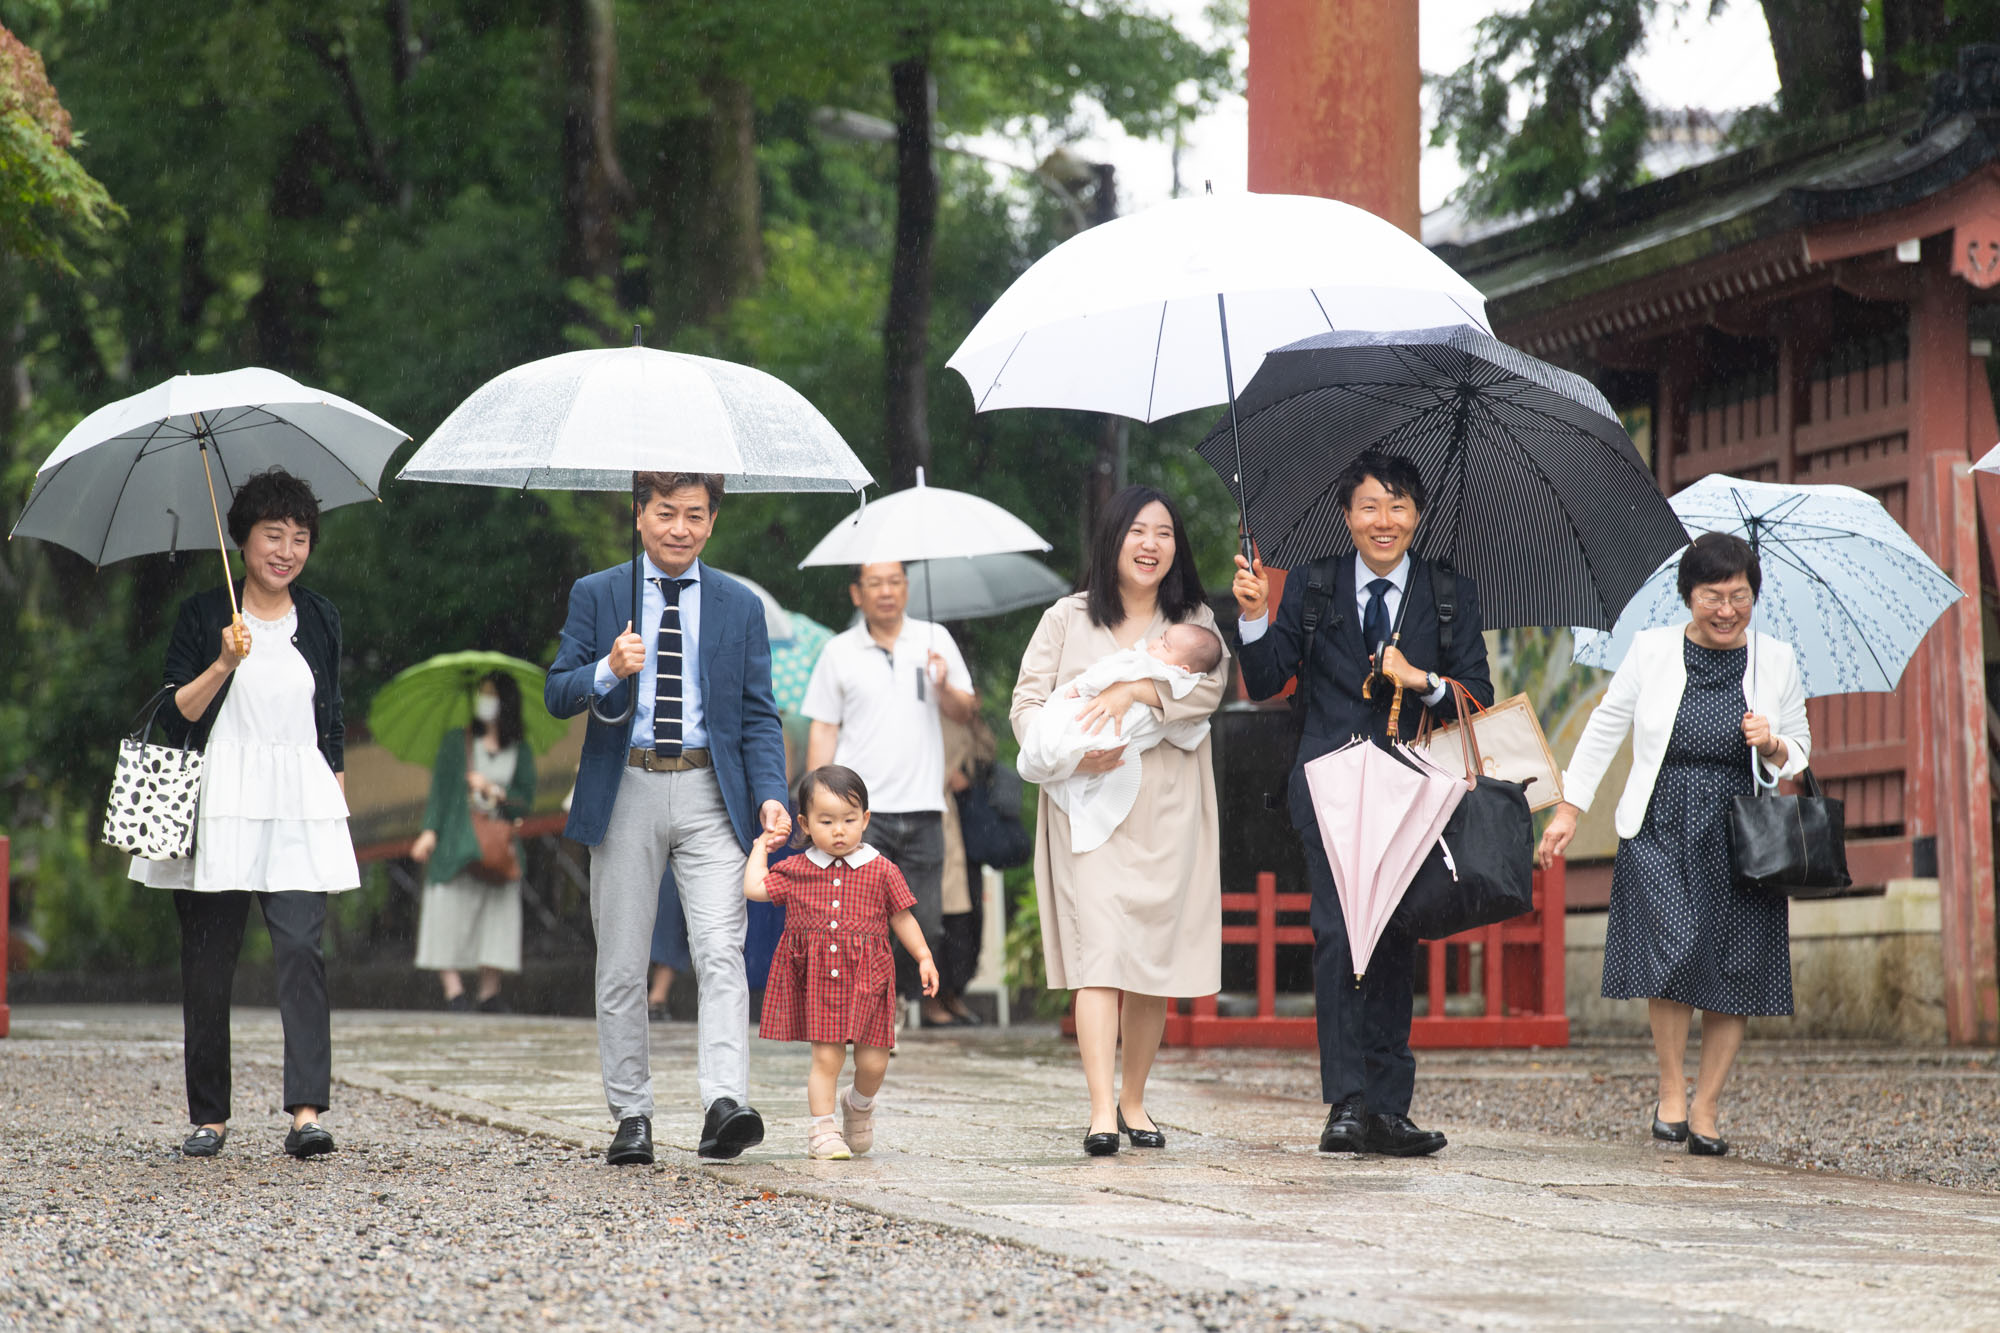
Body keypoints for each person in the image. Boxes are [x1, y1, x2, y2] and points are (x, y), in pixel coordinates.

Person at [1233, 449, 1492, 1158]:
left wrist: (1424, 678)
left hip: (1412, 789)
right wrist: (1255, 619)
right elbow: (1264, 678)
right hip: (1329, 784)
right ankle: (1347, 1101)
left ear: (1419, 514)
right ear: (1346, 514)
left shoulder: (1448, 592)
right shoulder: (1313, 586)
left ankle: (1388, 1107)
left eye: (1399, 504)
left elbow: (1479, 696)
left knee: (1395, 937)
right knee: (1338, 935)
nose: (1385, 520)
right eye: (1370, 505)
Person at [545, 471, 791, 1165]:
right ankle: (632, 1112)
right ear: (640, 514)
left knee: (721, 950)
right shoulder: (599, 593)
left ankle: (724, 1101)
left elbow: (757, 713)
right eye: (665, 512)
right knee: (624, 958)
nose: (679, 527)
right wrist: (607, 668)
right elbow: (556, 692)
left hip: (713, 789)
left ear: (712, 520)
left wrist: (771, 790)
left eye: (694, 514)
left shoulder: (739, 604)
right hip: (626, 786)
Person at [1537, 532, 1810, 1158]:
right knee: (1672, 949)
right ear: (1688, 596)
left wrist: (1771, 744)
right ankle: (1670, 1089)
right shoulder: (1652, 650)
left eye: (1739, 596)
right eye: (1711, 596)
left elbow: (1801, 748)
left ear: (1753, 596)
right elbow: (1607, 725)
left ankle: (1708, 1104)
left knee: (1735, 965)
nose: (1726, 610)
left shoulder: (1778, 661)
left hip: (1741, 829)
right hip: (1660, 819)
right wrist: (1569, 807)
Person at [134, 467, 358, 1160]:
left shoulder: (319, 616)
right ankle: (210, 1116)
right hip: (219, 799)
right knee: (208, 961)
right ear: (242, 539)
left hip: (298, 798)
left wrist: (338, 808)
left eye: (299, 537)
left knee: (300, 950)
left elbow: (333, 722)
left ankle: (306, 1112)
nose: (286, 549)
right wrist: (225, 661)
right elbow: (175, 715)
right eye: (272, 534)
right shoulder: (205, 615)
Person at [1011, 484, 1227, 1156]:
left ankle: (1135, 1097)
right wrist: (1068, 751)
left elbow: (1212, 688)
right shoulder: (1066, 617)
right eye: (1137, 530)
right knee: (1099, 953)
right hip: (1088, 805)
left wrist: (1137, 689)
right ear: (1112, 539)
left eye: (1163, 532)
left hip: (1165, 809)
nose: (1150, 544)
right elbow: (1027, 702)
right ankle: (1101, 1109)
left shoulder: (1195, 618)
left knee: (1148, 962)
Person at [802, 561, 977, 1029]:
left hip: (924, 805)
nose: (886, 592)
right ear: (857, 594)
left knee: (927, 922)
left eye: (895, 582)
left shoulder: (935, 639)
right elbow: (824, 726)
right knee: (860, 920)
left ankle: (896, 992)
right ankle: (875, 1009)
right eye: (875, 583)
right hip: (860, 814)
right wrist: (816, 802)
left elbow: (965, 712)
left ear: (906, 589)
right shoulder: (839, 651)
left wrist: (943, 686)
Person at [745, 765, 938, 1159]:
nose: (839, 831)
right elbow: (754, 889)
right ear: (804, 823)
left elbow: (902, 916)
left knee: (874, 1061)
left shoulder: (881, 869)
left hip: (869, 981)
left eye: (849, 820)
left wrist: (923, 956)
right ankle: (822, 1130)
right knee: (826, 1057)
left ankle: (859, 1104)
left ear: (865, 820)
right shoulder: (798, 869)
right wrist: (760, 849)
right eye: (826, 821)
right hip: (820, 983)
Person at [1016, 623, 1225, 853]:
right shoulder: (1180, 684)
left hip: (1146, 792)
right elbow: (1188, 733)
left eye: (1164, 645)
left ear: (1183, 668)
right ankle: (1050, 755)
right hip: (1103, 729)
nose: (1154, 643)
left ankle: (1047, 755)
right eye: (1160, 637)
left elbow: (1111, 670)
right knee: (1072, 735)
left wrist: (1085, 686)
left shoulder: (1148, 666)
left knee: (1070, 738)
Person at [410, 672, 537, 1013]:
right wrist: (429, 831)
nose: (485, 700)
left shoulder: (520, 749)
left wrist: (492, 791)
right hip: (458, 838)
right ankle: (455, 993)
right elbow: (440, 791)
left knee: (497, 914)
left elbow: (526, 799)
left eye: (491, 694)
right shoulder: (457, 741)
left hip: (498, 842)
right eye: (482, 694)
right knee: (445, 908)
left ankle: (489, 992)